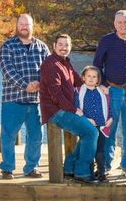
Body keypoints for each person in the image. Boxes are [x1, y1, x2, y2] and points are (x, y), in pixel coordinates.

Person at [40, 34, 100, 185]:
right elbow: (56, 95)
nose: (63, 47)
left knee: (87, 131)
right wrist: (75, 110)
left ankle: (69, 168)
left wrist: (98, 88)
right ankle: (82, 172)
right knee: (91, 132)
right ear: (54, 46)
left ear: (70, 47)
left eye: (66, 45)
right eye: (60, 44)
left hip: (64, 108)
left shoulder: (65, 62)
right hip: (55, 111)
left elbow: (79, 81)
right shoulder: (51, 64)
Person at [93, 10, 126, 174]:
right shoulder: (106, 40)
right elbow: (97, 64)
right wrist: (101, 83)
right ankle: (107, 164)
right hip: (112, 90)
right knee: (110, 128)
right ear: (114, 24)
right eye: (119, 22)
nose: (123, 25)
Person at [0, 14, 49, 180]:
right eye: (21, 24)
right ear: (16, 25)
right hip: (13, 99)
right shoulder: (8, 46)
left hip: (35, 101)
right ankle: (7, 168)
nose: (24, 27)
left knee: (35, 136)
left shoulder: (42, 47)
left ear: (32, 26)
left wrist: (40, 83)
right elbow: (7, 71)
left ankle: (31, 168)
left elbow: (49, 70)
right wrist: (25, 85)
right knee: (9, 135)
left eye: (27, 24)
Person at [73, 66, 112, 182]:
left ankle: (101, 173)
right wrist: (86, 119)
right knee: (88, 149)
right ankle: (88, 172)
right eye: (88, 76)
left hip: (101, 125)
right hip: (87, 126)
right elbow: (76, 109)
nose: (91, 78)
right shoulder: (79, 91)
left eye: (94, 76)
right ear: (83, 78)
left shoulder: (102, 92)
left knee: (100, 150)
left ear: (98, 79)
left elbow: (109, 107)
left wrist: (110, 118)